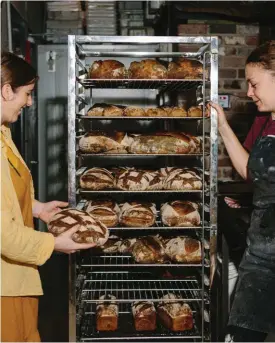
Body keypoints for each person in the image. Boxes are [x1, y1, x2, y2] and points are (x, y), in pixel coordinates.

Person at [1, 52, 95, 342]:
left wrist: (38, 209)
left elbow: (9, 197)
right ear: (6, 91)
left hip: (18, 278)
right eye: (27, 94)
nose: (30, 103)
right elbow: (3, 235)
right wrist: (55, 243)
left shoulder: (4, 134)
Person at [208, 40, 275, 342]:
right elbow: (251, 171)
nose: (249, 93)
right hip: (261, 253)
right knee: (241, 335)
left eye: (254, 84)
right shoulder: (267, 121)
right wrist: (222, 125)